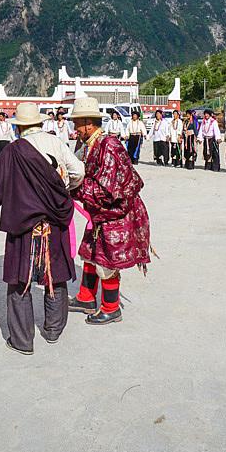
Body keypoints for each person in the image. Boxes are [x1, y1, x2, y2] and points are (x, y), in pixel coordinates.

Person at [0, 102, 83, 354]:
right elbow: (78, 171)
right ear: (39, 123)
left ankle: (22, 340)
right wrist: (61, 190)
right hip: (54, 221)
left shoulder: (13, 151)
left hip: (24, 227)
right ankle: (53, 330)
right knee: (56, 276)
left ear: (18, 128)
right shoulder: (55, 142)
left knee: (20, 281)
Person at [66, 97, 151, 325]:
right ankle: (86, 296)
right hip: (101, 213)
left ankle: (111, 308)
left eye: (77, 123)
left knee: (107, 260)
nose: (75, 129)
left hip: (116, 213)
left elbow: (106, 189)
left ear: (87, 123)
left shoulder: (108, 146)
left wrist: (73, 188)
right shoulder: (90, 145)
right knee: (90, 253)